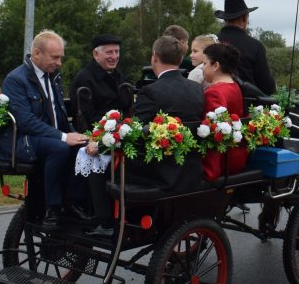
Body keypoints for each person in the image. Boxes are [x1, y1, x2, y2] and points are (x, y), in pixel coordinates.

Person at [0, 30, 90, 229]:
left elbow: (59, 113)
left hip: (46, 136)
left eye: (61, 58)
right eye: (55, 57)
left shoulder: (53, 76)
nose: (59, 63)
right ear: (37, 54)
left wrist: (78, 135)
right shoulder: (16, 79)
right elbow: (25, 121)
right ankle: (52, 208)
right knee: (60, 148)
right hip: (22, 140)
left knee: (85, 147)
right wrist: (64, 137)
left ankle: (73, 202)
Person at [70, 34, 134, 236]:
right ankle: (102, 217)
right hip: (91, 134)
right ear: (96, 54)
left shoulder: (118, 76)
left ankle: (125, 211)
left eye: (117, 52)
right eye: (109, 52)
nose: (114, 56)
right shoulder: (85, 78)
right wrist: (110, 131)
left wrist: (124, 128)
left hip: (116, 133)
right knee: (97, 154)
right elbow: (85, 116)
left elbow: (128, 108)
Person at [129, 35, 205, 192]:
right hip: (192, 167)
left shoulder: (149, 91)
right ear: (180, 58)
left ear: (154, 57)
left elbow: (136, 131)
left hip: (160, 171)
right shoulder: (196, 88)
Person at [200, 42, 249, 181]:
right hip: (237, 155)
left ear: (216, 65)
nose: (202, 69)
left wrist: (209, 172)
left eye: (204, 64)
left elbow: (215, 133)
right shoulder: (234, 86)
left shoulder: (214, 92)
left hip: (223, 161)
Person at [216, 0, 275, 95]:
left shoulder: (212, 41)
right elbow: (266, 87)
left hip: (214, 102)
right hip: (247, 105)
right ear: (244, 18)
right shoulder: (255, 46)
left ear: (225, 19)